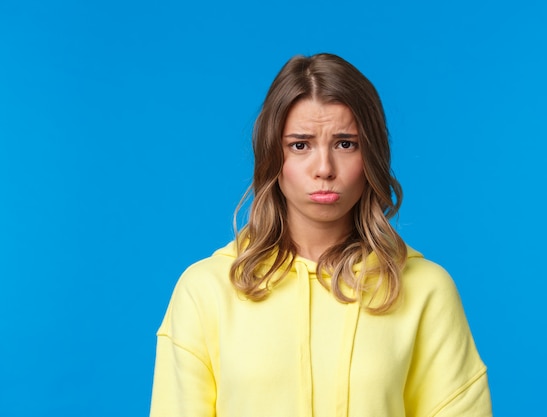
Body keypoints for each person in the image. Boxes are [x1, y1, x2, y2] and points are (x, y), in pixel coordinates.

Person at [149, 53, 492, 417]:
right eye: (300, 145)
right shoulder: (206, 290)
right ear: (272, 157)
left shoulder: (426, 289)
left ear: (371, 155)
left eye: (346, 143)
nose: (324, 169)